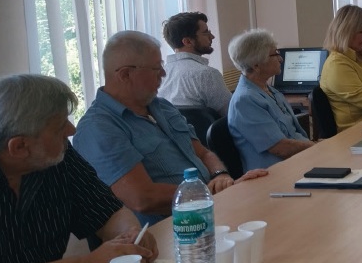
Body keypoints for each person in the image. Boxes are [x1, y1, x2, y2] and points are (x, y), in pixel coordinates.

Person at [0, 74, 157, 263]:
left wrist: (129, 236)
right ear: (19, 147)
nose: (71, 130)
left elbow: (107, 212)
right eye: (59, 127)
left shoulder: (56, 157)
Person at [74, 31, 268, 225]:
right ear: (125, 74)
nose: (163, 73)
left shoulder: (162, 107)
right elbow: (143, 198)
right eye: (156, 68)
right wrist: (213, 193)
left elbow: (203, 153)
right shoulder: (98, 129)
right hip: (171, 229)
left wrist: (221, 176)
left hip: (211, 208)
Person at [227, 29, 314, 171]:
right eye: (275, 54)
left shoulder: (271, 91)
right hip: (275, 172)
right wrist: (316, 147)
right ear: (256, 65)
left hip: (296, 161)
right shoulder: (245, 101)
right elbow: (280, 148)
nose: (281, 59)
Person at [159, 11, 232, 116]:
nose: (212, 36)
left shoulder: (159, 74)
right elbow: (233, 114)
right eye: (206, 33)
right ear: (188, 41)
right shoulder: (207, 74)